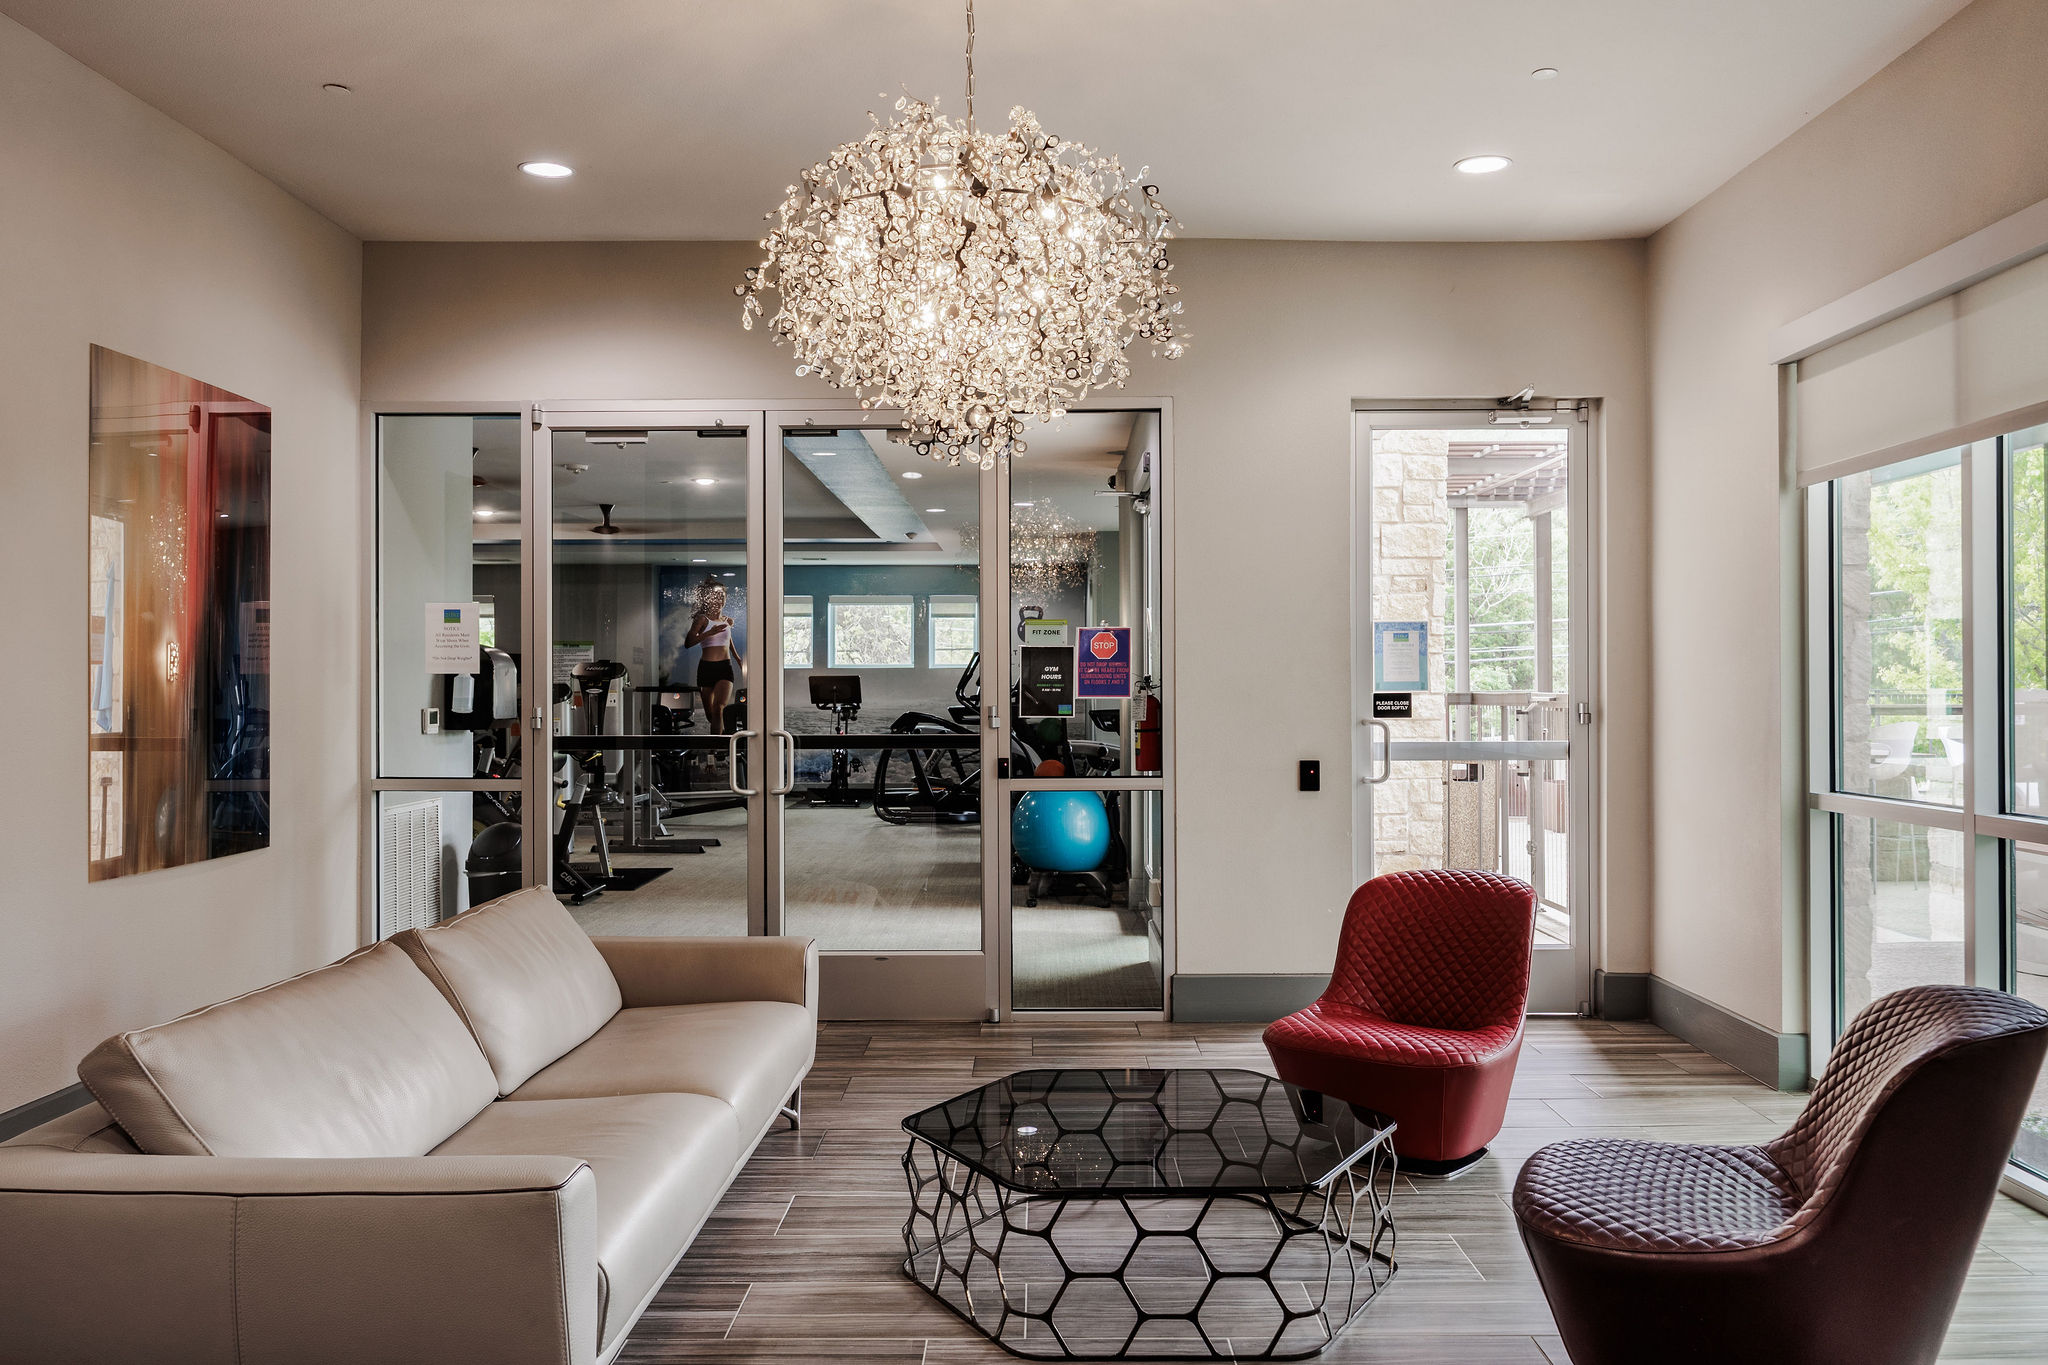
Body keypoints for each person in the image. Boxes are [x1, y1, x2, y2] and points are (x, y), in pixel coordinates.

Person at [684, 583, 740, 733]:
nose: (720, 599)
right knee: (711, 715)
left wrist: (738, 659)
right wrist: (710, 632)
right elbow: (688, 643)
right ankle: (720, 738)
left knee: (718, 709)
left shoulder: (727, 621)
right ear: (709, 599)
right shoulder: (702, 620)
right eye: (716, 596)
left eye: (722, 596)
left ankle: (716, 750)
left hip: (725, 668)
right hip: (706, 669)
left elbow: (728, 640)